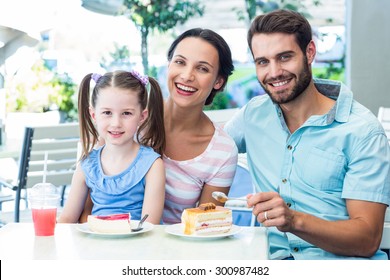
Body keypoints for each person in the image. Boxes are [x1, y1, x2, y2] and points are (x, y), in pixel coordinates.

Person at [224, 9, 390, 259]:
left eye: (284, 57)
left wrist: (293, 220)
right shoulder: (252, 116)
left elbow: (367, 239)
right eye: (263, 62)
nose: (274, 72)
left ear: (309, 52)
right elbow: (205, 150)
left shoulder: (363, 131)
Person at [58, 70, 166, 224]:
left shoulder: (153, 165)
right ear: (94, 115)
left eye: (127, 113)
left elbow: (149, 225)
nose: (116, 123)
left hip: (139, 245)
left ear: (142, 116)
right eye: (107, 112)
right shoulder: (87, 165)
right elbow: (67, 219)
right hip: (95, 245)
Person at [162, 28, 238, 224]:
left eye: (202, 68)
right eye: (180, 62)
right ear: (168, 65)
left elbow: (206, 226)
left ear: (218, 82)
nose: (187, 76)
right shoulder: (129, 118)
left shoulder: (223, 151)